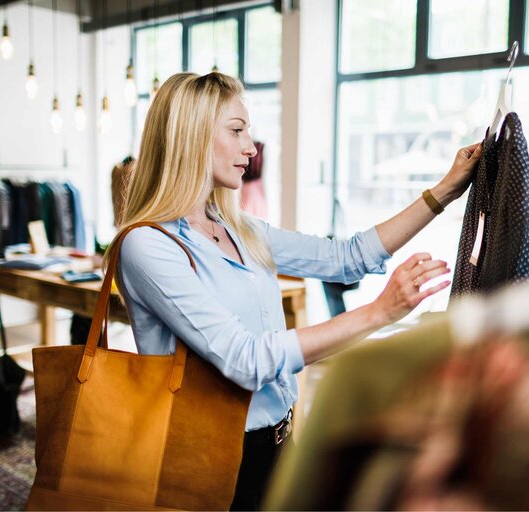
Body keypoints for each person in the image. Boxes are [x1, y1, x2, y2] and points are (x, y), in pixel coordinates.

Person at [105, 71, 482, 510]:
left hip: (279, 441)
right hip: (209, 459)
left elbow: (347, 257)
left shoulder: (238, 228)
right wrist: (378, 312)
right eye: (237, 130)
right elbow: (245, 359)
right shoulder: (146, 245)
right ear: (190, 136)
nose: (251, 146)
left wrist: (445, 191)